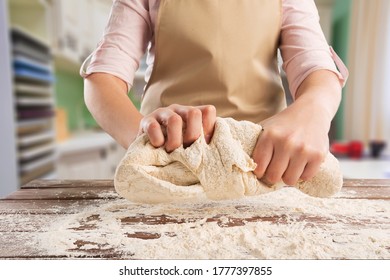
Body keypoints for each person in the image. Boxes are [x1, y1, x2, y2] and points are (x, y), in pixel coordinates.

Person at [80, 0, 348, 187]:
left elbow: (316, 68)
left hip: (263, 167)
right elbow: (102, 79)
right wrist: (143, 136)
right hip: (169, 162)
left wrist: (314, 110)